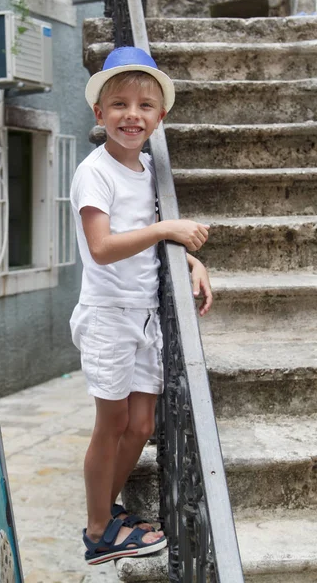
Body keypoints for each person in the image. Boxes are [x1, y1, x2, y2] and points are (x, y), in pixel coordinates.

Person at [69, 46, 212, 565]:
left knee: (143, 424)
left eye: (145, 105)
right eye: (120, 104)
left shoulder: (150, 167)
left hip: (145, 313)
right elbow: (103, 248)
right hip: (109, 315)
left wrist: (186, 261)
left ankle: (106, 509)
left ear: (160, 116)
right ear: (99, 113)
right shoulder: (95, 172)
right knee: (110, 425)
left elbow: (153, 237)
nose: (133, 115)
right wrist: (166, 228)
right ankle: (97, 532)